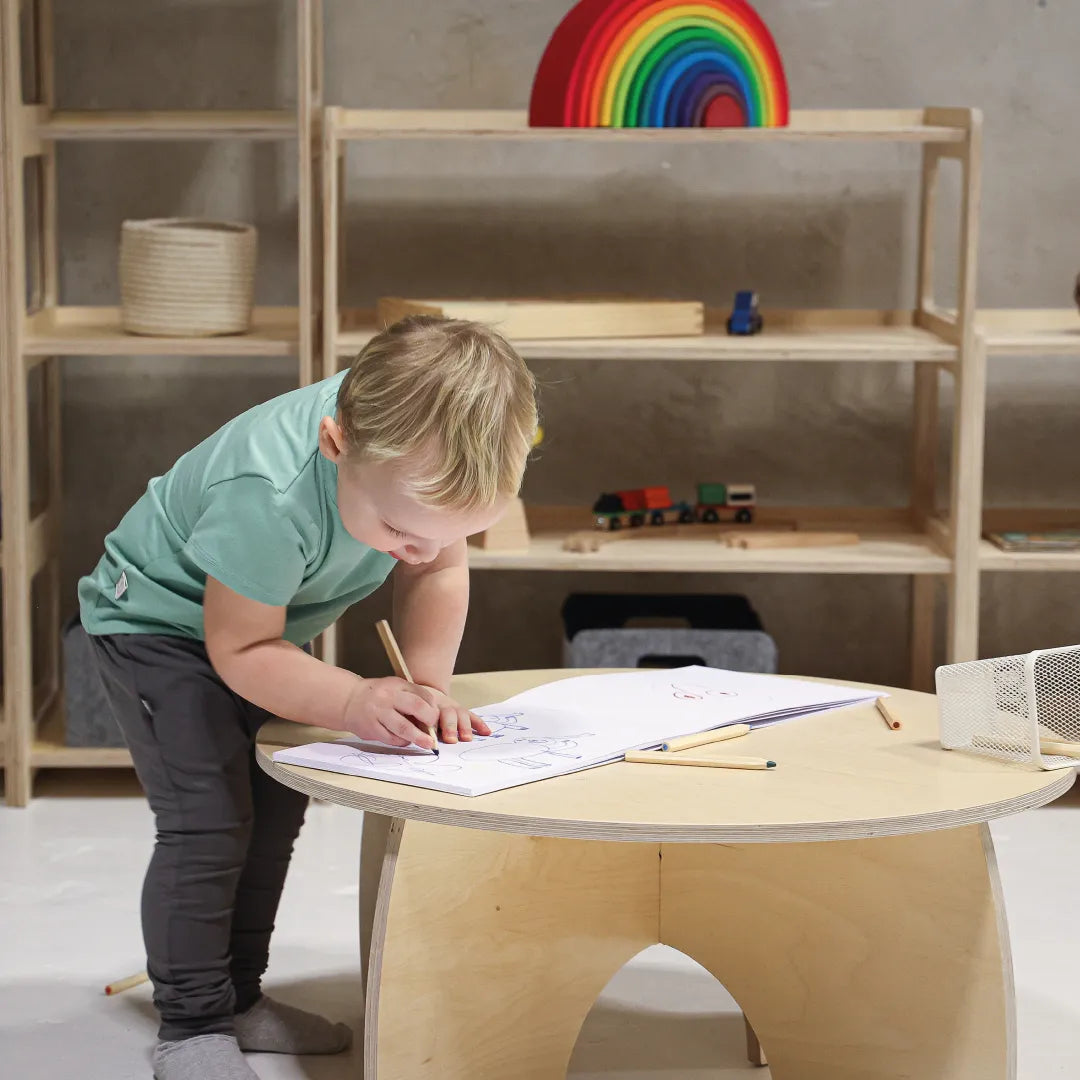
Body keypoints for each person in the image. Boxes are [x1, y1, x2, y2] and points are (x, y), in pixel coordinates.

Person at [79, 316, 538, 1079]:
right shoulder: (271, 492)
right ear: (335, 446)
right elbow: (240, 649)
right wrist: (357, 701)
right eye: (398, 529)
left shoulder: (422, 455)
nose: (418, 549)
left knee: (279, 804)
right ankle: (191, 1025)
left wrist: (427, 686)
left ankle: (239, 998)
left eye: (450, 531)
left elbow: (435, 571)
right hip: (160, 627)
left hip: (264, 629)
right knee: (210, 822)